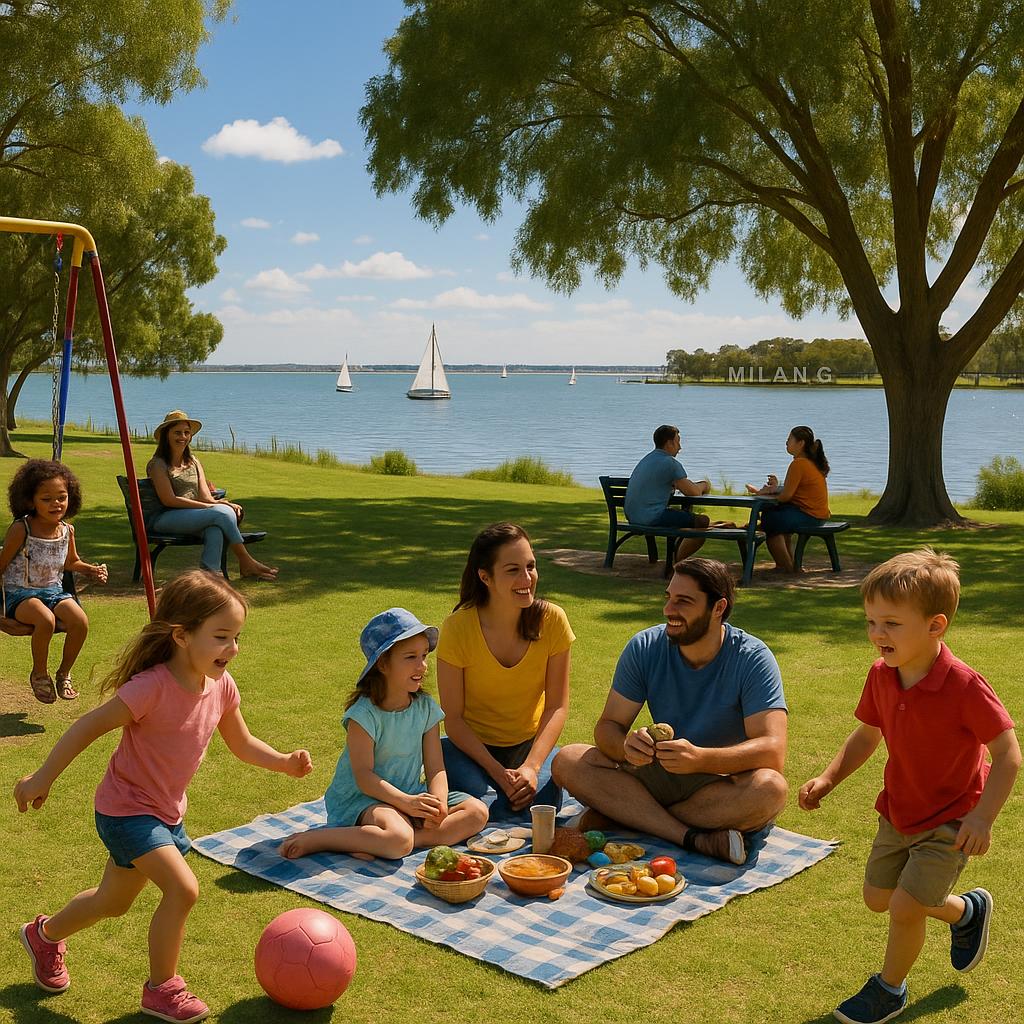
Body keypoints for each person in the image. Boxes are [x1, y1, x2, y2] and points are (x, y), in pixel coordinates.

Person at [14, 570, 313, 1023]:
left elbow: (243, 743)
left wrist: (284, 762)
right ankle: (162, 989)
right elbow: (88, 726)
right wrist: (42, 777)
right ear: (182, 635)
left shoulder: (221, 687)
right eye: (221, 637)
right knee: (183, 888)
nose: (233, 648)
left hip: (166, 814)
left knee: (111, 903)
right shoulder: (150, 687)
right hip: (126, 811)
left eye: (236, 637)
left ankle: (44, 935)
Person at [799, 549, 1019, 1024]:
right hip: (898, 811)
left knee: (905, 906)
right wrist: (829, 777)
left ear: (936, 626)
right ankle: (965, 913)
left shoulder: (965, 686)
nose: (877, 634)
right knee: (878, 898)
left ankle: (889, 990)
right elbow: (866, 735)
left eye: (891, 624)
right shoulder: (881, 676)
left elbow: (1008, 755)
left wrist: (982, 818)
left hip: (952, 818)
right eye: (871, 622)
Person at [552, 557, 788, 865]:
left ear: (718, 608)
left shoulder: (752, 658)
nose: (668, 610)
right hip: (655, 775)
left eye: (683, 601)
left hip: (718, 783)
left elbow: (773, 751)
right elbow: (608, 726)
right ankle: (691, 836)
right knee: (568, 759)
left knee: (771, 789)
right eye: (669, 598)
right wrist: (626, 747)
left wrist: (701, 759)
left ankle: (623, 816)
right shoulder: (645, 646)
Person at [280, 608, 488, 860]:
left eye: (424, 655)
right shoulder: (363, 715)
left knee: (477, 812)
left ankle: (390, 841)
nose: (422, 665)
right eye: (410, 657)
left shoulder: (426, 708)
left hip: (410, 794)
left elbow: (436, 768)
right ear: (382, 664)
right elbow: (364, 777)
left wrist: (439, 803)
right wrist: (406, 803)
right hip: (366, 798)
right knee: (398, 838)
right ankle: (321, 839)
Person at [436, 522, 574, 822]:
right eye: (513, 570)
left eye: (531, 566)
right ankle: (484, 800)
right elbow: (453, 719)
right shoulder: (458, 628)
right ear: (485, 577)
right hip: (471, 750)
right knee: (485, 803)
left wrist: (532, 767)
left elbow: (557, 706)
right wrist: (498, 773)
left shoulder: (553, 621)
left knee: (539, 807)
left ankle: (492, 802)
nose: (527, 578)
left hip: (528, 747)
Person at [0, 458, 108, 703]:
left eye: (61, 497)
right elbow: (1, 565)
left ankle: (64, 673)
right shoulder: (22, 529)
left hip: (53, 591)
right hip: (20, 593)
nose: (56, 504)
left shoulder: (67, 530)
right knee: (45, 619)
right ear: (30, 501)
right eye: (46, 499)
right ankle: (39, 673)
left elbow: (71, 562)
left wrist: (91, 570)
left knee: (80, 620)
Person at [147, 409, 278, 581]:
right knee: (221, 514)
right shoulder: (158, 464)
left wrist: (223, 503)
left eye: (187, 432)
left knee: (215, 528)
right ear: (166, 435)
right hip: (165, 518)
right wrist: (210, 507)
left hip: (192, 516)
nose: (183, 437)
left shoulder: (193, 461)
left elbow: (205, 497)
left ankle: (210, 577)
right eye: (177, 432)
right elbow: (169, 500)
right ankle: (246, 561)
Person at [746, 424, 830, 573]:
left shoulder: (799, 464)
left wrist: (767, 494)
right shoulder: (808, 463)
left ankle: (786, 567)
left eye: (789, 439)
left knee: (770, 521)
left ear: (800, 443)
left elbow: (786, 496)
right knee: (776, 518)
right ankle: (789, 564)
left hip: (810, 515)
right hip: (817, 514)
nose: (786, 442)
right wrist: (772, 490)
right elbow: (790, 491)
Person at [624, 424, 717, 560]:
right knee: (702, 521)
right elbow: (693, 492)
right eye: (678, 442)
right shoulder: (670, 463)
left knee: (683, 517)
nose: (680, 447)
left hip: (633, 516)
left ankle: (674, 559)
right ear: (669, 443)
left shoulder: (647, 459)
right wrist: (704, 485)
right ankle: (677, 563)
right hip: (652, 517)